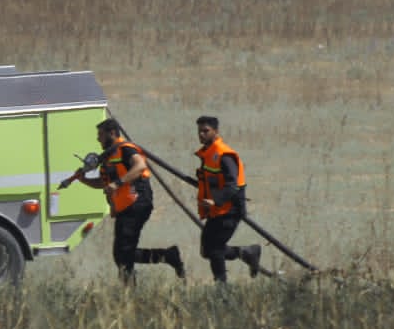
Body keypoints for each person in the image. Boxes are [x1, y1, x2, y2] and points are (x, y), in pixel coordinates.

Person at [62, 119, 184, 283]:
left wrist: (117, 183)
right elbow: (103, 183)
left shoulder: (125, 149)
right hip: (125, 206)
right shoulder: (108, 156)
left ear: (112, 133)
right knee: (121, 253)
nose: (98, 139)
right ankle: (168, 256)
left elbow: (140, 166)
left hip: (137, 202)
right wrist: (83, 179)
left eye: (101, 135)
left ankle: (129, 293)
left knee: (123, 253)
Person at [194, 115, 260, 283]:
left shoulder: (224, 154)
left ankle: (222, 288)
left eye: (206, 131)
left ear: (216, 131)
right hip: (217, 210)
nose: (201, 134)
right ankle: (247, 253)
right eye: (199, 131)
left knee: (215, 249)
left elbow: (233, 185)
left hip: (230, 209)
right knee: (207, 250)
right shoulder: (208, 154)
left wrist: (216, 201)